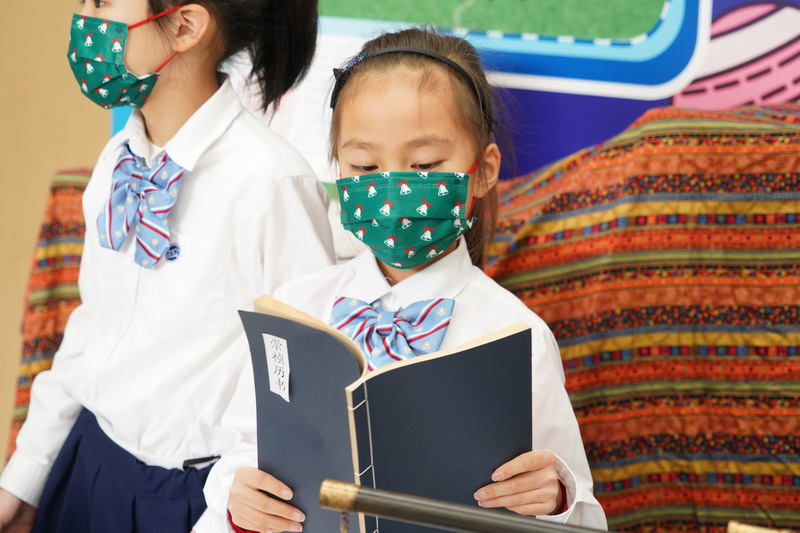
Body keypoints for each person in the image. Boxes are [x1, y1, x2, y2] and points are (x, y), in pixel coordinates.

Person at [208, 27, 608, 532]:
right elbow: (239, 455)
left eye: (423, 165)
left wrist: (555, 497)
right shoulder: (293, 311)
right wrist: (238, 499)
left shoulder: (517, 336)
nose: (392, 189)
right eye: (364, 166)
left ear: (482, 171)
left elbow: (581, 515)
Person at [0, 1, 333, 532]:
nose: (85, 19)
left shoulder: (270, 182)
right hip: (88, 466)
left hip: (193, 500)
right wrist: (23, 480)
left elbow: (300, 384)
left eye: (102, 1)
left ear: (184, 25)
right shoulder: (118, 158)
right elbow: (91, 333)